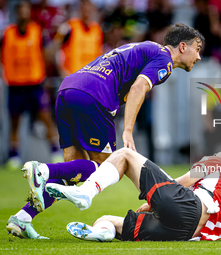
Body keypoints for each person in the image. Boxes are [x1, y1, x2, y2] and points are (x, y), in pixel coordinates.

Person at [6, 23, 204, 239]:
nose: (199, 56)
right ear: (182, 47)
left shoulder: (148, 48)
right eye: (198, 48)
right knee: (107, 168)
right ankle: (43, 170)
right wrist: (128, 131)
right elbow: (139, 87)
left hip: (68, 89)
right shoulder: (164, 59)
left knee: (73, 173)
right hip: (94, 95)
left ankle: (23, 218)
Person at [44, 147, 221, 241]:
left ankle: (85, 192)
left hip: (185, 206)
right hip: (183, 234)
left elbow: (181, 183)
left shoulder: (220, 163)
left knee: (125, 155)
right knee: (105, 220)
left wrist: (154, 201)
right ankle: (105, 232)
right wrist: (160, 202)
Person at [0, 0, 59, 170]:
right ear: (16, 12)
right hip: (15, 84)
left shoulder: (37, 32)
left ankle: (55, 152)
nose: (23, 13)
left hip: (35, 83)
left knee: (46, 117)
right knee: (14, 121)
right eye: (21, 10)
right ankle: (14, 156)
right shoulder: (8, 33)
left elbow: (46, 54)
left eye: (26, 9)